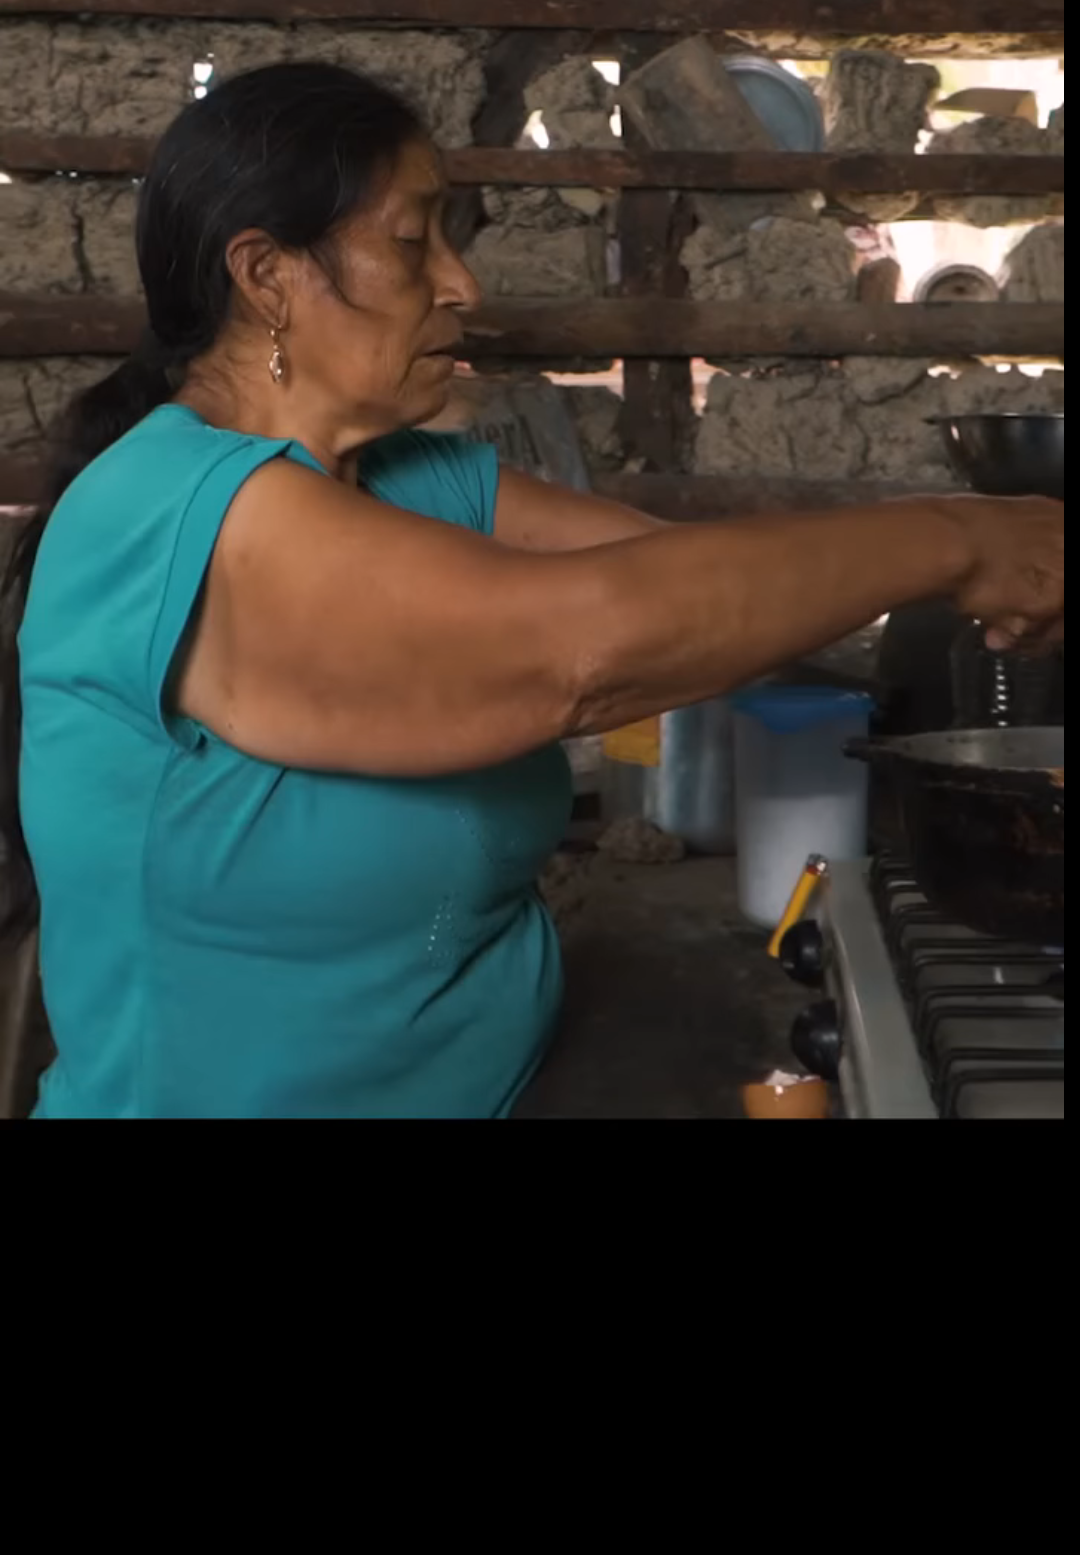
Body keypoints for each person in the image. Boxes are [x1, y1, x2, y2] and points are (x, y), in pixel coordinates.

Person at [0, 62, 1064, 1120]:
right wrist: (960, 537)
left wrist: (984, 569)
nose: (462, 285)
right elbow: (585, 652)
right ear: (268, 276)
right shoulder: (180, 508)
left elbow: (690, 592)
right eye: (415, 242)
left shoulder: (413, 478)